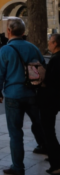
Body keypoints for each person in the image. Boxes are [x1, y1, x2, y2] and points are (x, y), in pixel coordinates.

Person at [0, 18, 47, 175]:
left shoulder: (5, 50)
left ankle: (18, 167)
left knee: (15, 132)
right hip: (32, 93)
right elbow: (43, 66)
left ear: (9, 31)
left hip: (13, 94)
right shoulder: (33, 48)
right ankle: (44, 147)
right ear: (23, 32)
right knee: (38, 123)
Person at [39, 34, 60, 174]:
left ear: (55, 43)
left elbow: (51, 81)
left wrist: (42, 78)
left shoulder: (56, 60)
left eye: (50, 42)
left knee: (49, 131)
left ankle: (56, 164)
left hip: (51, 99)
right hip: (56, 99)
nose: (48, 44)